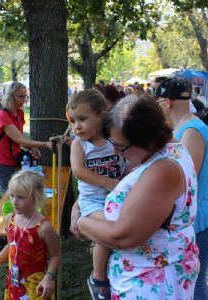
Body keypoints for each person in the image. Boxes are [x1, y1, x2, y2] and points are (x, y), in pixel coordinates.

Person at [74, 95, 200, 299]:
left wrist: (81, 222)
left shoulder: (163, 170)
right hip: (143, 274)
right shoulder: (165, 150)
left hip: (152, 283)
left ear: (147, 140)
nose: (116, 151)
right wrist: (79, 204)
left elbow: (123, 236)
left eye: (121, 146)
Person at [155, 78, 208, 300]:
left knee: (193, 284)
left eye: (157, 101)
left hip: (203, 215)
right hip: (199, 213)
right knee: (187, 282)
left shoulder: (191, 130)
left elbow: (186, 178)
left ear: (166, 102)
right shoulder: (184, 126)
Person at [67, 89, 124, 300]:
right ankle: (98, 278)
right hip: (92, 201)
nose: (76, 126)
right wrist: (106, 181)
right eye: (73, 121)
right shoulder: (79, 144)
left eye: (82, 119)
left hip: (115, 196)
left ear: (101, 114)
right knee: (107, 230)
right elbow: (78, 171)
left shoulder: (113, 138)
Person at [0, 170, 60, 300]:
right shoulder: (9, 220)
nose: (14, 202)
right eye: (12, 196)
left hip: (36, 287)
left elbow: (56, 255)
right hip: (14, 284)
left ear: (35, 197)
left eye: (21, 197)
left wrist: (49, 276)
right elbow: (11, 246)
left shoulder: (44, 228)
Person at [0, 81, 52, 193]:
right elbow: (19, 139)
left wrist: (31, 147)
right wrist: (45, 144)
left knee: (20, 193)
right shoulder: (2, 115)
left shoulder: (19, 113)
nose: (24, 99)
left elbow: (20, 138)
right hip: (2, 164)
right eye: (20, 96)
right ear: (11, 96)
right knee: (10, 196)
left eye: (25, 96)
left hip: (15, 160)